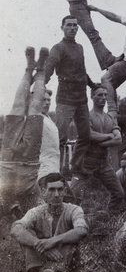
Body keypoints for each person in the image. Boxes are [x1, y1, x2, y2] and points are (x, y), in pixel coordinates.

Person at [11, 173, 88, 272]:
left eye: (60, 189)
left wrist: (53, 241)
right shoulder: (36, 212)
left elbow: (82, 229)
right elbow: (16, 229)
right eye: (51, 190)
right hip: (42, 256)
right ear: (44, 192)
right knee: (28, 233)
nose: (56, 195)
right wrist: (39, 245)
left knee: (71, 236)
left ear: (65, 192)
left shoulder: (74, 210)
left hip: (64, 257)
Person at [0, 47, 48, 215]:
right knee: (35, 108)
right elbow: (43, 209)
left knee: (18, 106)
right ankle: (41, 70)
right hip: (30, 162)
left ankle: (29, 69)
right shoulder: (31, 199)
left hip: (7, 159)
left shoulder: (3, 201)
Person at [45, 16, 95, 175]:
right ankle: (55, 172)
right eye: (69, 25)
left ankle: (76, 166)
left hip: (81, 99)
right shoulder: (58, 48)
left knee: (85, 136)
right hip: (65, 99)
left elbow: (82, 72)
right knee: (60, 137)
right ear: (62, 28)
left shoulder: (80, 47)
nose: (73, 28)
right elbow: (49, 66)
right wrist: (42, 83)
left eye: (75, 25)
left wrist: (93, 85)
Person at [70, 85, 125, 212]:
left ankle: (107, 217)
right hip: (84, 163)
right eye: (100, 95)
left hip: (103, 163)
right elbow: (89, 135)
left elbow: (119, 139)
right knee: (73, 197)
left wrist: (100, 142)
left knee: (119, 193)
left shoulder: (110, 118)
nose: (104, 98)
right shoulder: (86, 117)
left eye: (105, 95)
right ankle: (74, 220)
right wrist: (109, 136)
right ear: (92, 96)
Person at [89, 0, 126, 117]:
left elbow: (114, 17)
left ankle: (112, 111)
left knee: (105, 79)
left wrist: (97, 9)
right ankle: (117, 112)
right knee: (111, 85)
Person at [61, 0, 118, 70]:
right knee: (93, 33)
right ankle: (107, 60)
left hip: (81, 6)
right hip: (78, 7)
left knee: (93, 33)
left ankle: (106, 60)